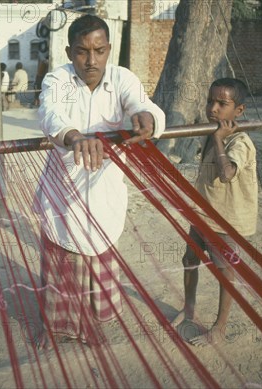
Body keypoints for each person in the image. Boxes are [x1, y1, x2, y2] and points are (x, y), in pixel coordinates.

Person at [35, 14, 165, 349]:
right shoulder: (57, 80)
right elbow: (51, 115)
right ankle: (57, 330)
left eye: (99, 50)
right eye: (82, 51)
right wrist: (76, 137)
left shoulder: (123, 78)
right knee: (61, 267)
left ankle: (94, 327)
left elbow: (143, 105)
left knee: (98, 265)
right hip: (62, 195)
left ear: (110, 49)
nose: (91, 60)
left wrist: (146, 117)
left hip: (105, 196)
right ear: (69, 51)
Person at [171, 78, 257, 347]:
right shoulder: (212, 133)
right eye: (210, 101)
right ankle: (189, 309)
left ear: (239, 111)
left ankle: (219, 328)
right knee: (190, 260)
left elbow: (227, 173)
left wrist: (219, 139)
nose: (214, 108)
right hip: (203, 213)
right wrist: (215, 136)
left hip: (226, 221)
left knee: (224, 272)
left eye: (222, 104)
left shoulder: (241, 142)